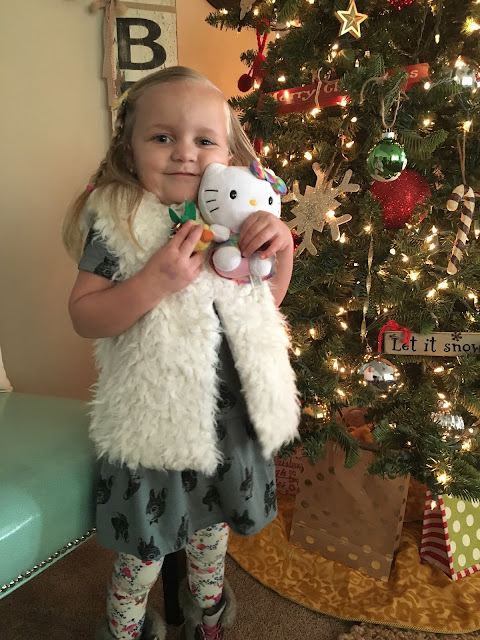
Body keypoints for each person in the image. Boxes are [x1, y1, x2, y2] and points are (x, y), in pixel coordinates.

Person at [63, 66, 299, 640]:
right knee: (141, 556)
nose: (184, 153)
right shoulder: (119, 220)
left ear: (228, 155)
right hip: (156, 426)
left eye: (203, 140)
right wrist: (154, 282)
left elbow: (265, 302)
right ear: (130, 147)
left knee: (210, 540)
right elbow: (84, 316)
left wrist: (284, 249)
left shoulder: (238, 221)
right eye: (163, 137)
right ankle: (125, 629)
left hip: (228, 423)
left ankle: (207, 617)